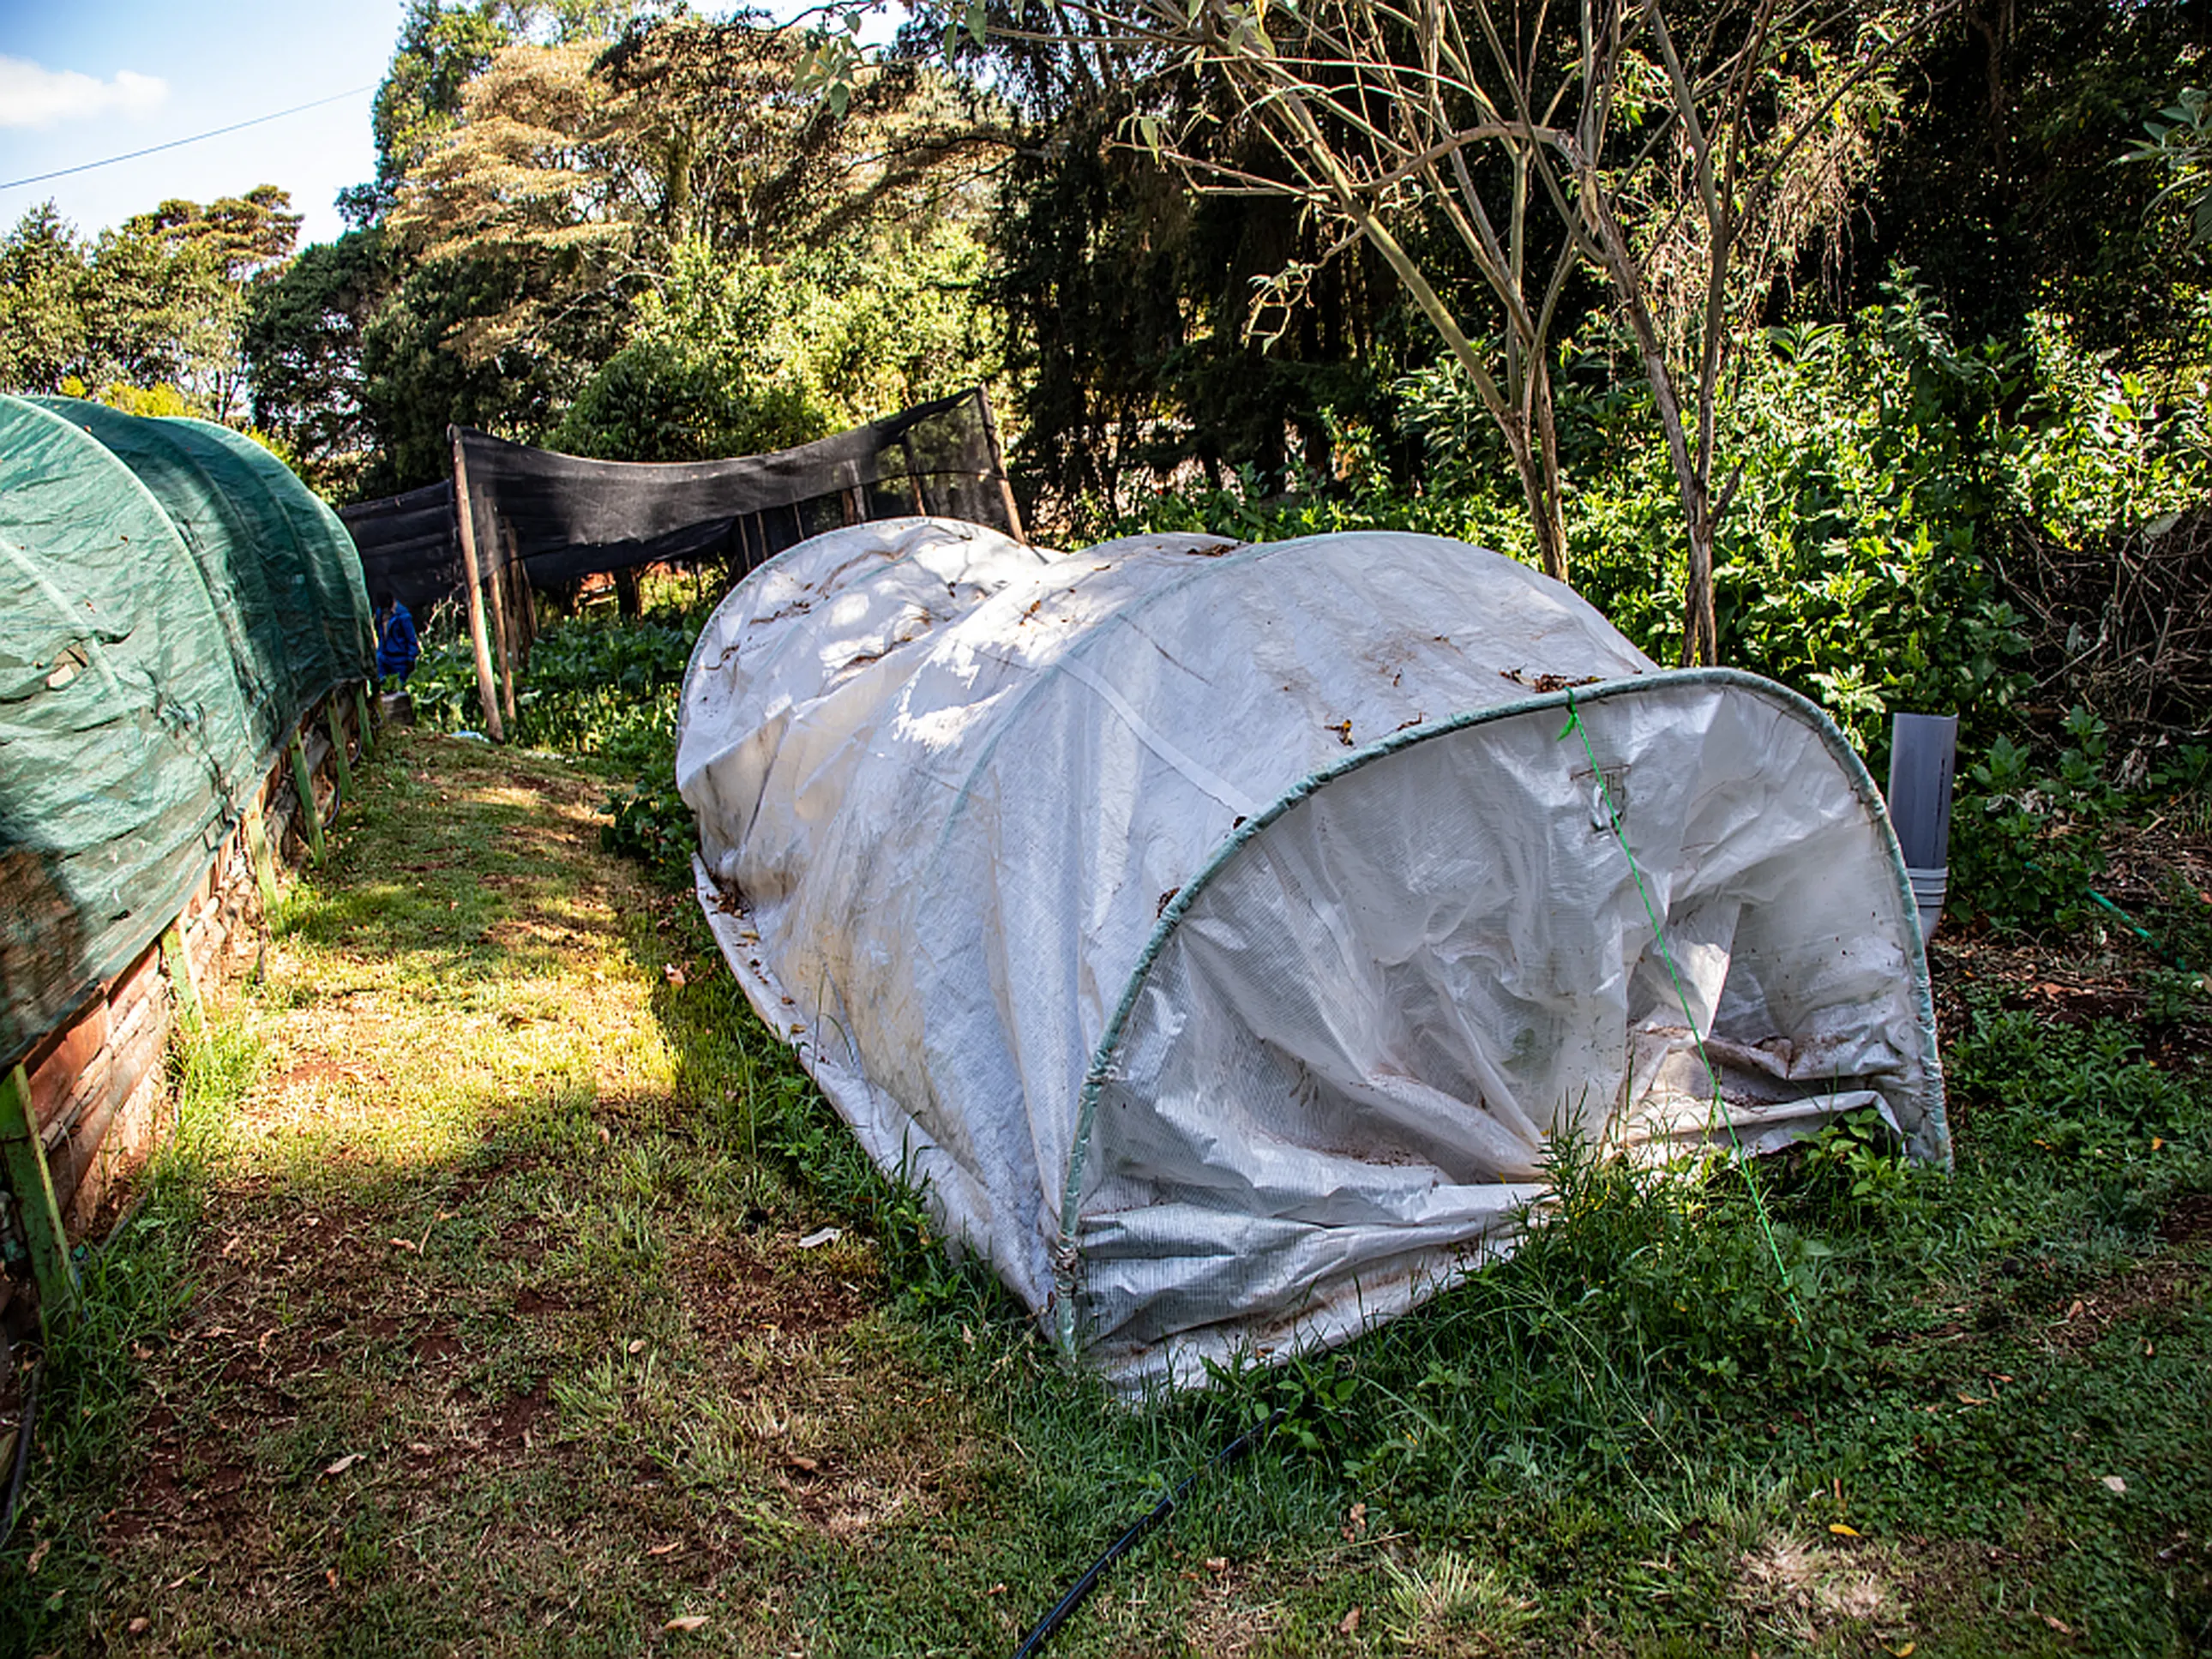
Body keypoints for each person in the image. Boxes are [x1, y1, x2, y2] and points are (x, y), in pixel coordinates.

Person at [374, 592, 420, 685]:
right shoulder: (380, 613)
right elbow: (380, 634)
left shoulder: (403, 616)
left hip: (400, 659)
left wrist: (411, 659)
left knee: (399, 688)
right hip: (384, 656)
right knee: (383, 686)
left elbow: (411, 640)